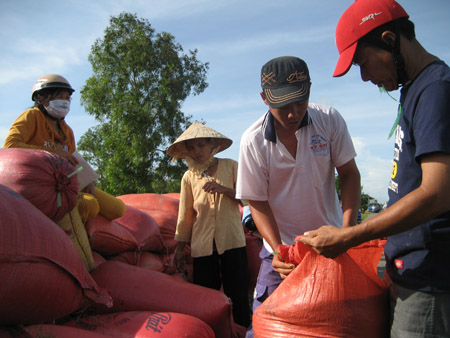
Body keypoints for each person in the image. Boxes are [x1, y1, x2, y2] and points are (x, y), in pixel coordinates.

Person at [299, 1, 450, 336]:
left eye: (363, 63)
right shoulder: (415, 90)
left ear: (389, 39)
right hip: (410, 271)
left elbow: (438, 192)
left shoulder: (435, 89)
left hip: (430, 279)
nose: (366, 77)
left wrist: (349, 235)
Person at [236, 56, 361, 337]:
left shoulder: (328, 121)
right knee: (264, 327)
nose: (293, 113)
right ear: (264, 99)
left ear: (310, 90)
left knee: (338, 324)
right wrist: (279, 248)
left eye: (300, 102)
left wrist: (346, 233)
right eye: (283, 106)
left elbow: (350, 174)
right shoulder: (253, 141)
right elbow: (256, 201)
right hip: (281, 255)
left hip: (330, 247)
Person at [3, 74, 125, 222]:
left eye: (68, 98)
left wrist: (88, 181)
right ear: (42, 98)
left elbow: (74, 161)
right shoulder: (31, 116)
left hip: (68, 183)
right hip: (43, 185)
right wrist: (54, 153)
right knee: (89, 206)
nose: (65, 102)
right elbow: (10, 145)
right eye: (60, 96)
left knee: (117, 208)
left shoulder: (67, 130)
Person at [168, 121, 251, 328]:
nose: (197, 152)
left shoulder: (231, 166)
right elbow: (185, 214)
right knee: (207, 296)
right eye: (192, 148)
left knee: (238, 293)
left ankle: (242, 331)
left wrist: (225, 190)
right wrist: (179, 248)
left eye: (201, 146)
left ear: (212, 144)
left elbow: (248, 199)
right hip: (203, 245)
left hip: (232, 241)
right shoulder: (189, 177)